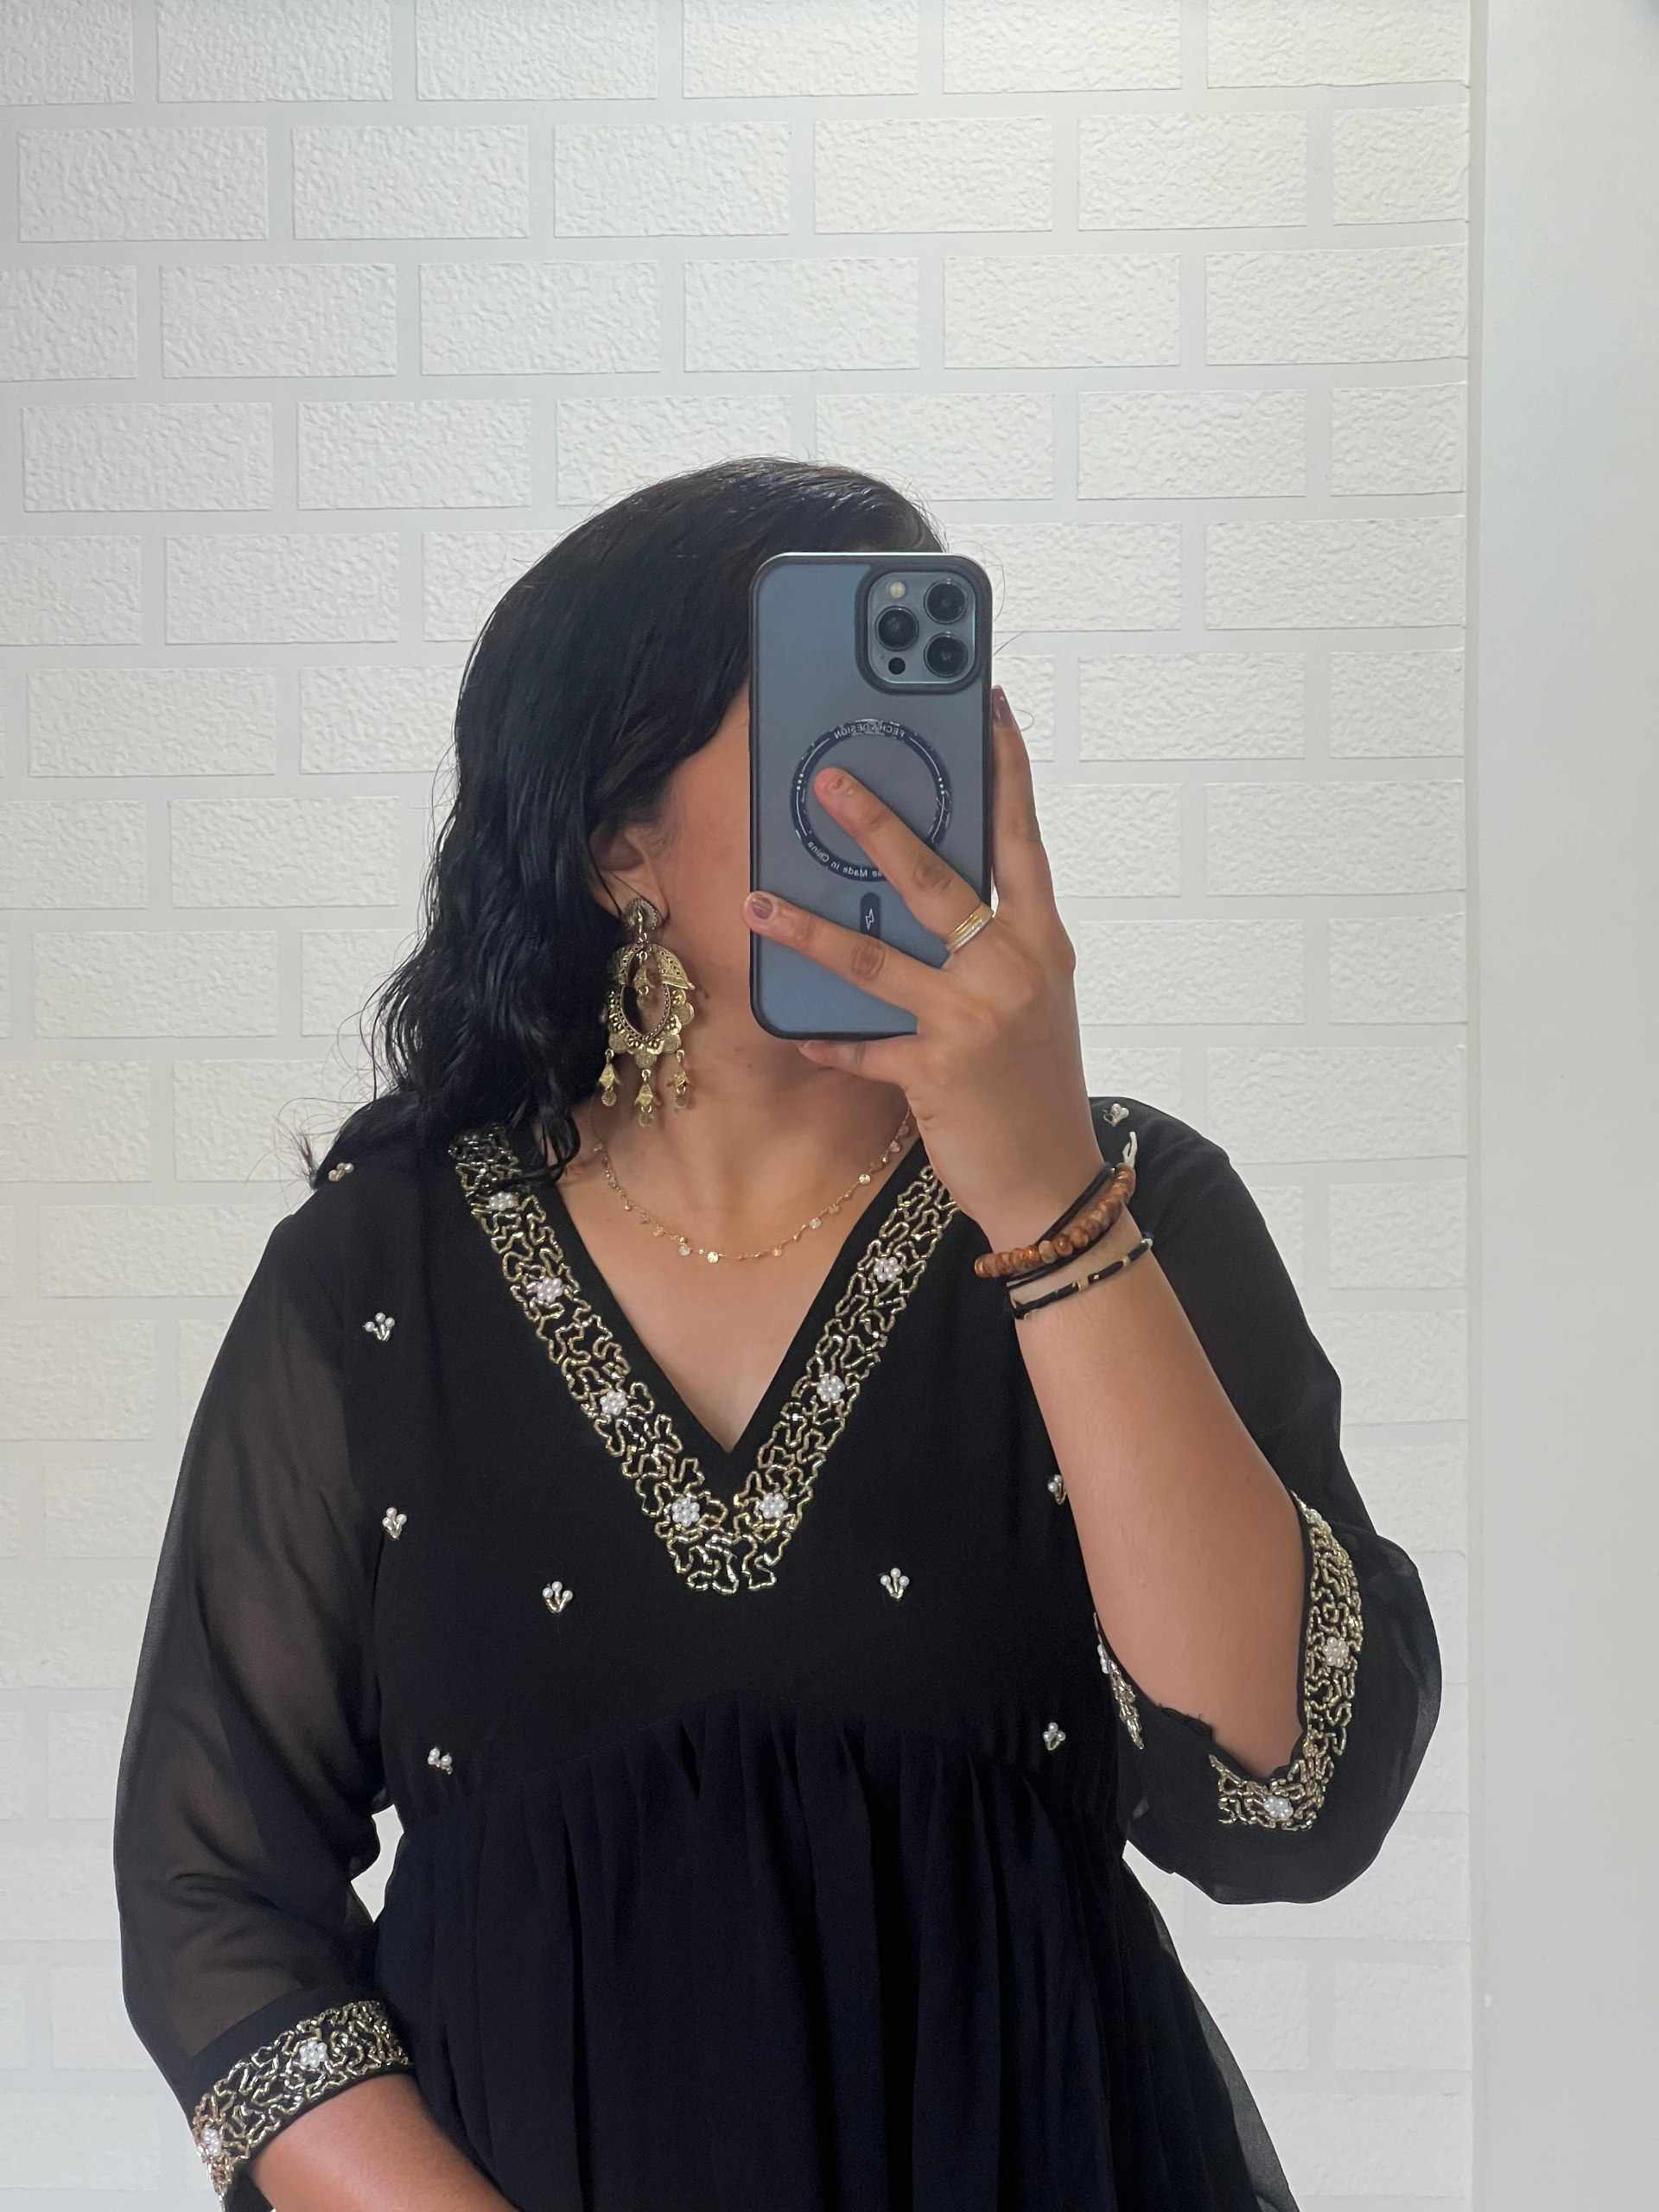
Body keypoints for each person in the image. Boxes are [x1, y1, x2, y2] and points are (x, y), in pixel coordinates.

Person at [112, 456, 1441, 2212]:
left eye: (934, 721)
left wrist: (1047, 1198)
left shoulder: (1132, 1200)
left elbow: (1291, 1791)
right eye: (830, 725)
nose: (904, 787)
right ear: (618, 842)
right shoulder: (377, 1278)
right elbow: (215, 1901)